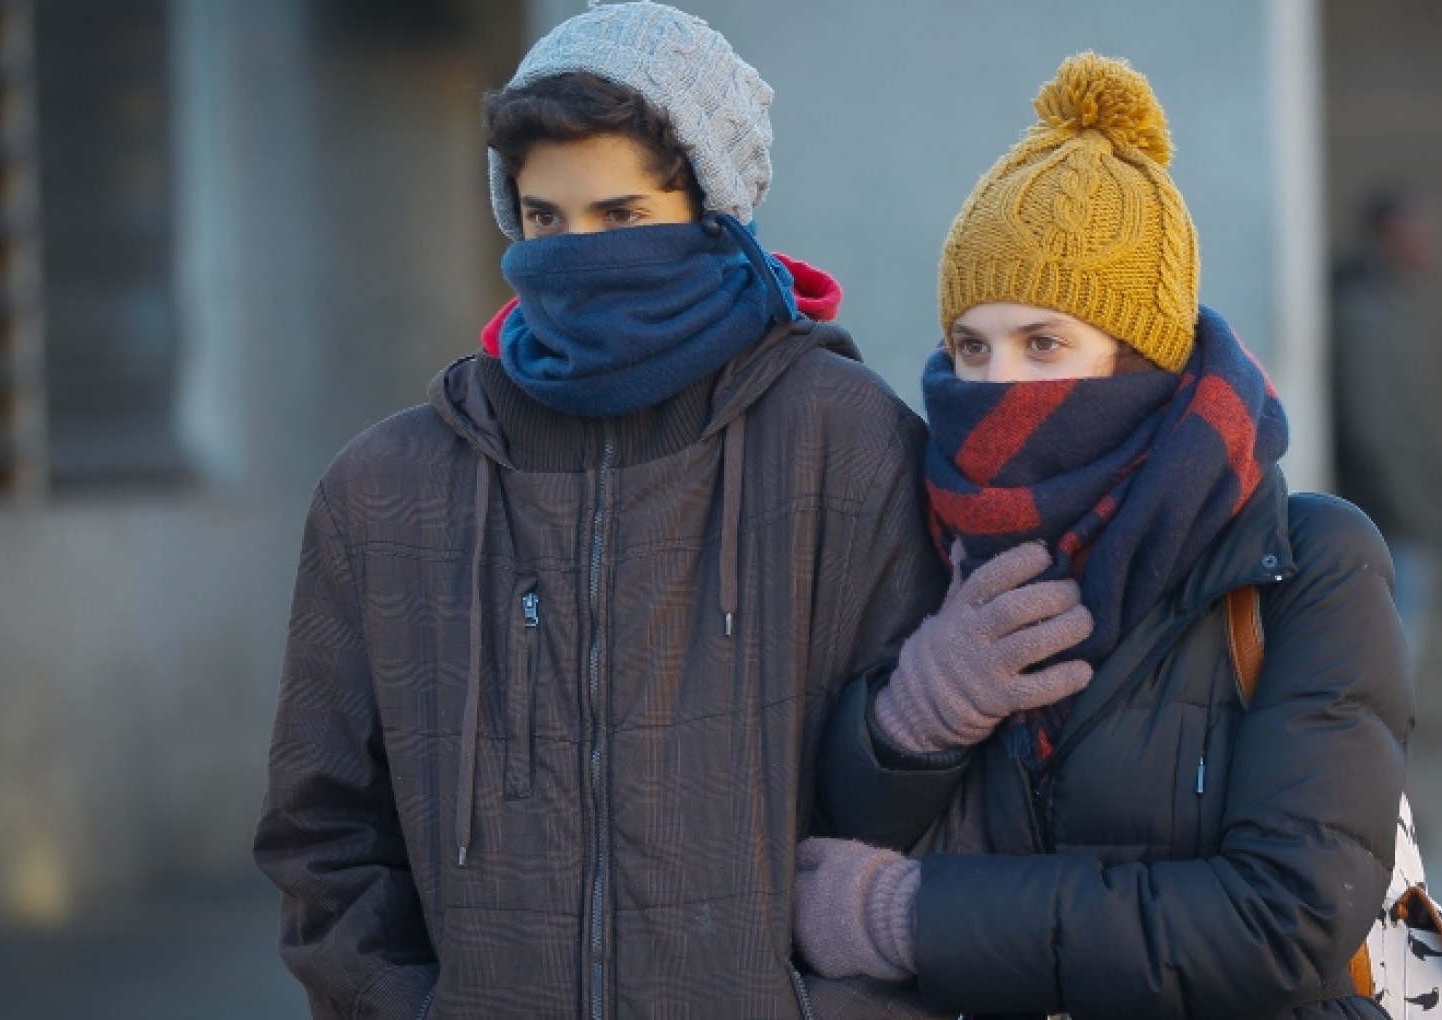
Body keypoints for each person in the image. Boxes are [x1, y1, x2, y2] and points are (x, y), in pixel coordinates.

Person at [252, 4, 943, 1017]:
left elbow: (935, 806)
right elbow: (324, 834)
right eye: (545, 220)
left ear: (714, 210)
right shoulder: (387, 491)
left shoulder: (845, 446)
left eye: (621, 217)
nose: (578, 254)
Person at [796, 54, 1414, 1020]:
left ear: (1144, 359)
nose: (994, 384)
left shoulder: (1306, 563)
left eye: (1043, 343)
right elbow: (829, 839)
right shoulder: (936, 545)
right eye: (970, 345)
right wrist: (911, 724)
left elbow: (1286, 920)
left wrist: (909, 917)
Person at [1330, 189, 1442, 664]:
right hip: (1389, 519)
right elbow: (1370, 424)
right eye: (1415, 235)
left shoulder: (1390, 302)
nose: (1428, 247)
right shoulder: (1363, 309)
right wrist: (1406, 507)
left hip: (1404, 515)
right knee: (1387, 664)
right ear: (1386, 236)